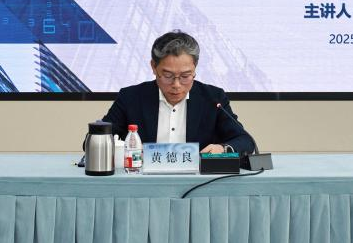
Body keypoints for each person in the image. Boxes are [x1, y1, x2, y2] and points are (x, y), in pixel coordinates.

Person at [101, 30, 256, 155]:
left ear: (195, 67)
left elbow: (244, 140)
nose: (176, 85)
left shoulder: (213, 98)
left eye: (185, 76)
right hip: (143, 178)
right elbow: (100, 138)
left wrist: (222, 149)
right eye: (168, 76)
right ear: (154, 67)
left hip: (198, 180)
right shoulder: (131, 97)